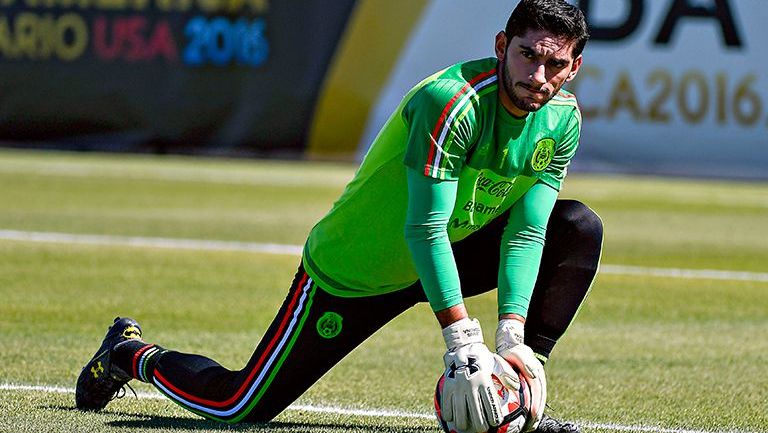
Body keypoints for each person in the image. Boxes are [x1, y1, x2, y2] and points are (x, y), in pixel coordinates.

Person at [75, 1, 602, 432]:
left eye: (555, 64)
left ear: (574, 66)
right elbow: (423, 228)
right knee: (238, 406)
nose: (538, 75)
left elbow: (528, 230)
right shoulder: (453, 103)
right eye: (527, 55)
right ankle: (128, 353)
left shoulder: (562, 119)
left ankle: (517, 397)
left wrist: (511, 337)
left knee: (575, 227)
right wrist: (464, 342)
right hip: (357, 271)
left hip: (450, 255)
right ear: (500, 46)